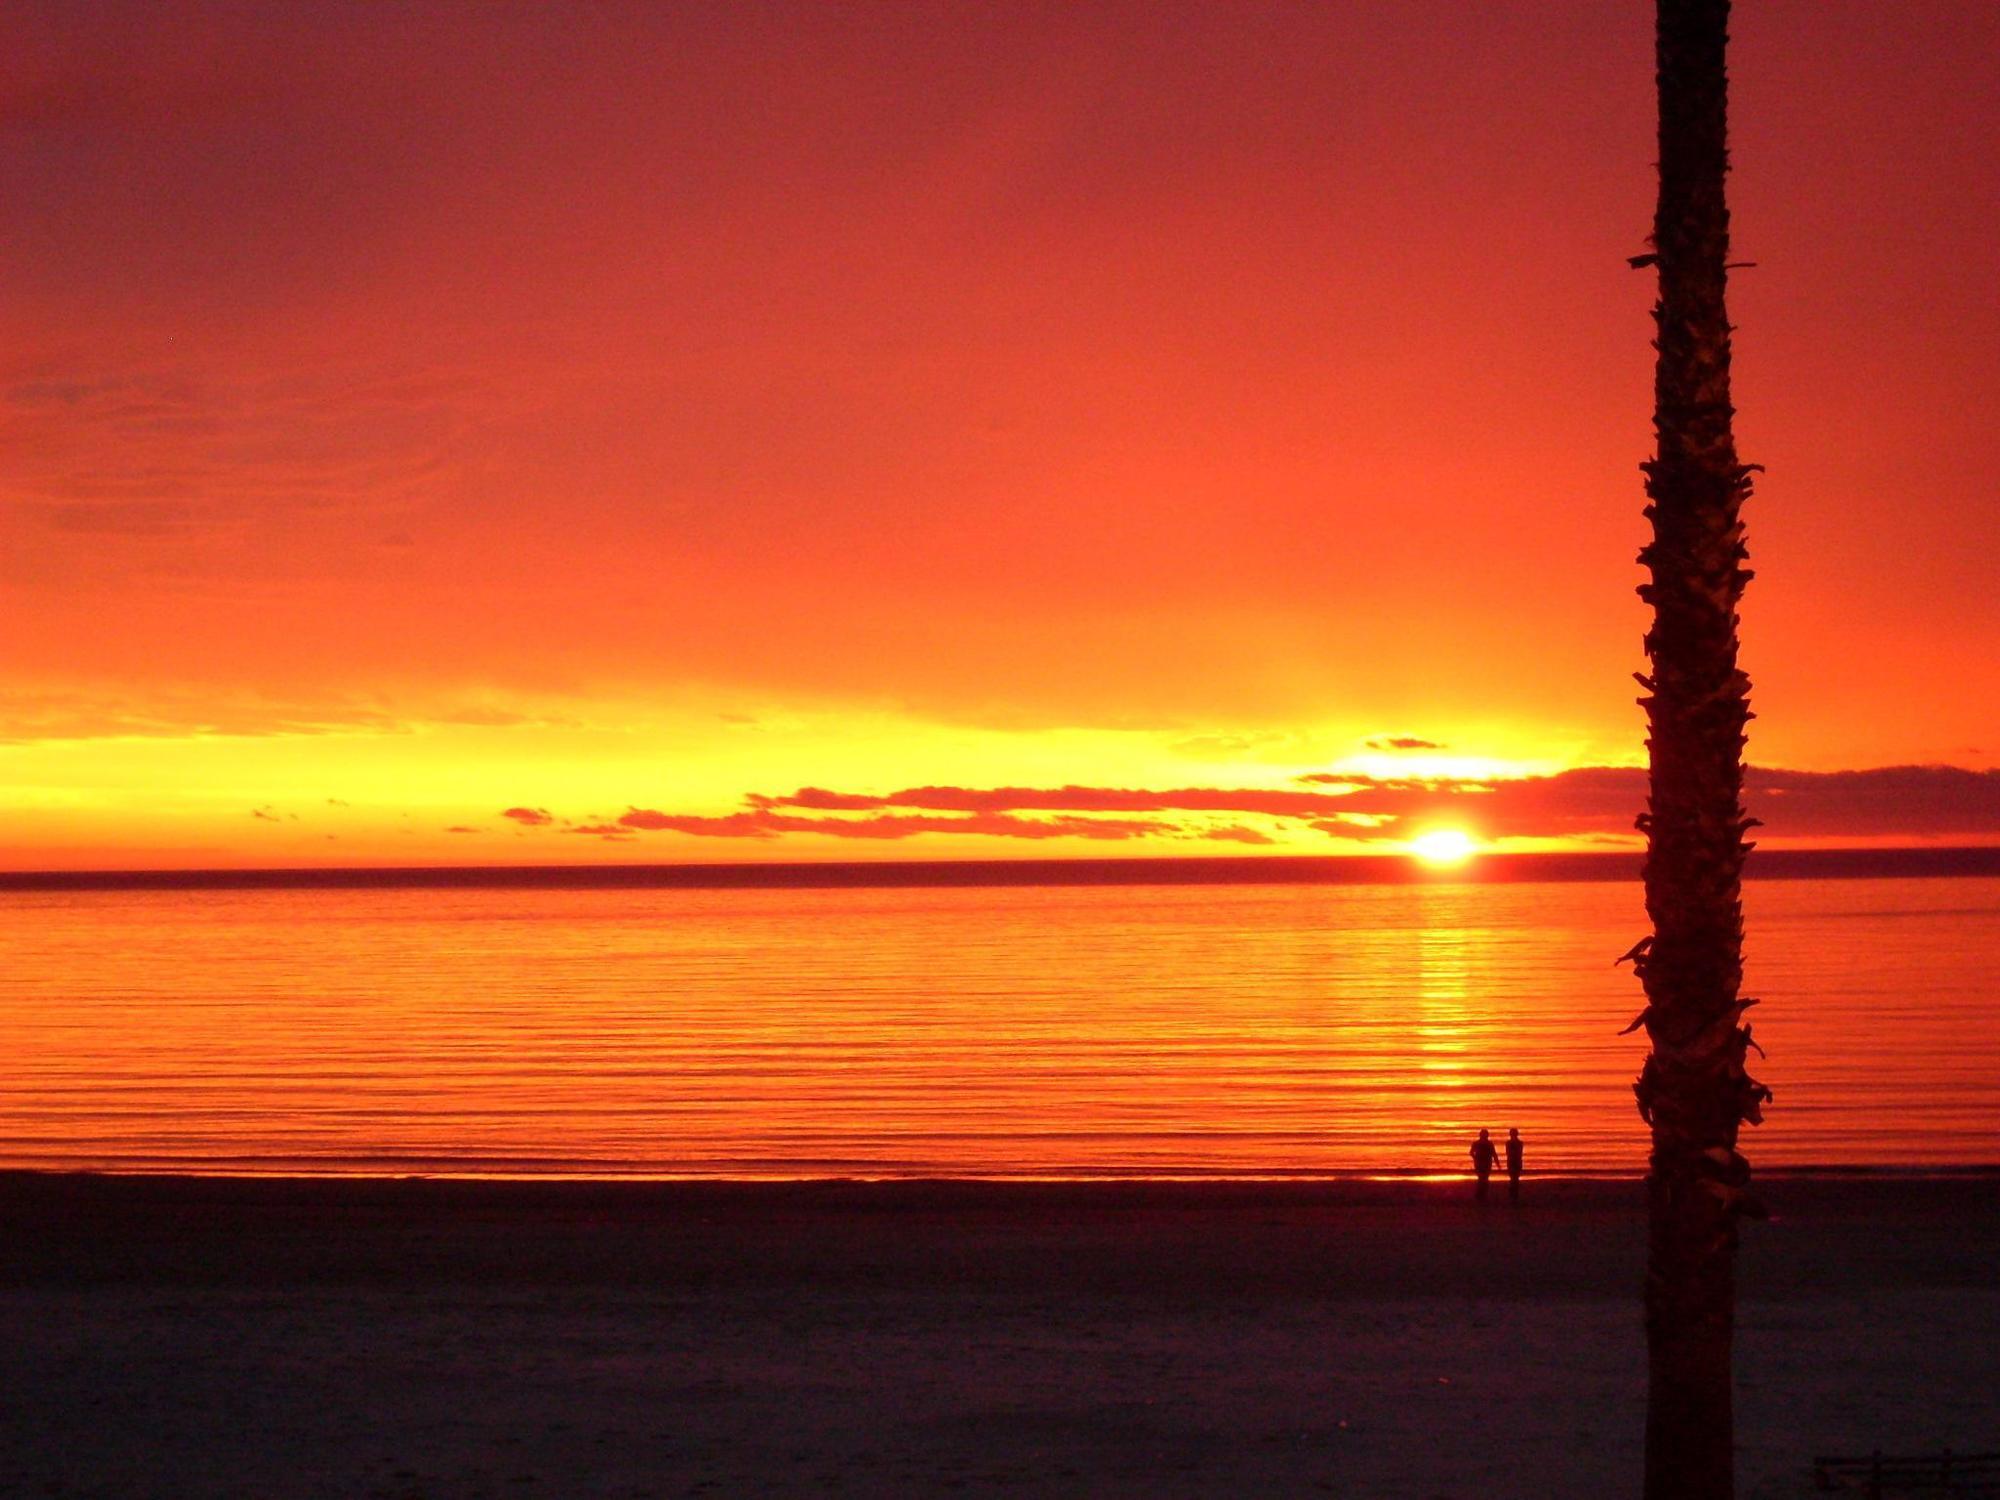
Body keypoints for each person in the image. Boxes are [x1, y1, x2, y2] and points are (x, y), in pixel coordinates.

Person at [1470, 1128, 1497, 1201]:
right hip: (1483, 1163)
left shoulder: (1486, 1143)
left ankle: (1481, 1194)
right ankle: (1481, 1194)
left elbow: (1493, 1154)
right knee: (1483, 1178)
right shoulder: (1483, 1143)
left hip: (1483, 1163)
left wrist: (1475, 1158)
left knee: (1482, 1178)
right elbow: (1494, 1154)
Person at [1505, 1127, 1524, 1202]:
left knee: (1514, 1178)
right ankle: (1513, 1194)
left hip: (1514, 1161)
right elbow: (1510, 1153)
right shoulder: (1517, 1143)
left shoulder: (1514, 1143)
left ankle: (1513, 1194)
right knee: (1514, 1178)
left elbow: (1509, 1153)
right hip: (1514, 1161)